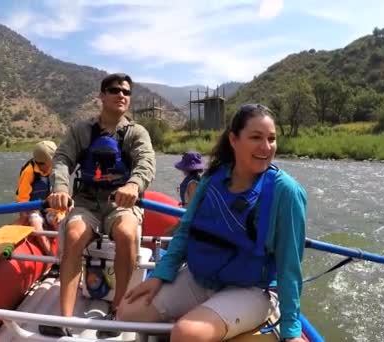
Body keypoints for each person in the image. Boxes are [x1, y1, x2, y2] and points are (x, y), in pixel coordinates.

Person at [117, 103, 307, 342]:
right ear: (234, 140)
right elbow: (186, 231)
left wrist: (291, 331)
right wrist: (160, 275)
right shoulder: (212, 180)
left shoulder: (286, 192)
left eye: (272, 138)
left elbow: (290, 264)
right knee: (128, 312)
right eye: (256, 137)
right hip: (200, 278)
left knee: (187, 333)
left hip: (250, 289)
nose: (266, 147)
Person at [44, 73, 156, 337]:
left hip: (122, 204)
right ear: (101, 96)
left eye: (126, 92)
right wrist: (60, 188)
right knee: (72, 234)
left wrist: (134, 185)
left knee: (127, 233)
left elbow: (145, 163)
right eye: (115, 90)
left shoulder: (136, 133)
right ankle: (65, 318)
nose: (121, 95)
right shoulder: (80, 131)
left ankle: (117, 312)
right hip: (86, 203)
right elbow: (61, 159)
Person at [16, 140, 64, 256]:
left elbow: (58, 191)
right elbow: (23, 200)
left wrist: (59, 212)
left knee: (60, 221)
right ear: (42, 163)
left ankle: (65, 252)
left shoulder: (53, 169)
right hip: (33, 209)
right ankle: (51, 256)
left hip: (48, 206)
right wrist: (24, 218)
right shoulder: (28, 172)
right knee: (36, 223)